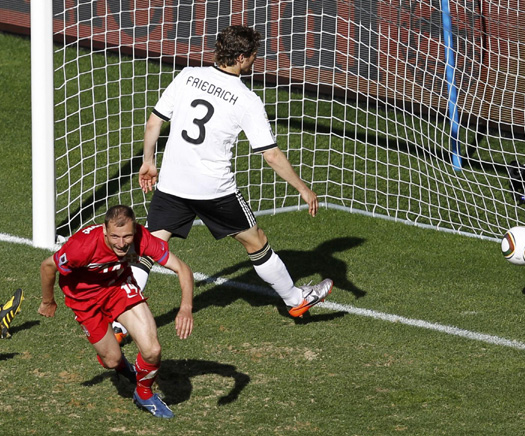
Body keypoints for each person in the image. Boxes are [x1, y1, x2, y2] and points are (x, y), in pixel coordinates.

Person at [133, 24, 333, 320]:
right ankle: (295, 299)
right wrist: (302, 187)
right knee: (256, 241)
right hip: (214, 191)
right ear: (241, 57)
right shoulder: (246, 99)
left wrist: (148, 160)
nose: (254, 61)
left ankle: (120, 320)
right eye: (253, 55)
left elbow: (154, 122)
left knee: (150, 247)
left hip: (172, 183)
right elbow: (271, 155)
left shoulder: (188, 75)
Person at [38, 205, 194, 419]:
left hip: (118, 287)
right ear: (104, 230)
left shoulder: (142, 237)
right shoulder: (81, 247)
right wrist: (48, 301)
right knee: (111, 360)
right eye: (115, 236)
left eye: (127, 236)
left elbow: (182, 268)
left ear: (135, 229)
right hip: (83, 299)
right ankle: (124, 368)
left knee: (153, 349)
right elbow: (47, 266)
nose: (121, 244)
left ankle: (144, 393)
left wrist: (185, 307)